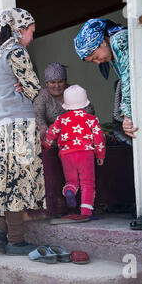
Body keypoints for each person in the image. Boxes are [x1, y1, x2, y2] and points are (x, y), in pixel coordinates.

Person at [0, 7, 46, 256]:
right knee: (19, 182)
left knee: (7, 180)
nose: (32, 37)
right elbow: (33, 88)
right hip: (19, 126)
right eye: (30, 32)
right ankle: (16, 241)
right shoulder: (16, 51)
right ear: (20, 31)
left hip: (1, 126)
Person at [33, 62, 95, 217]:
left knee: (76, 179)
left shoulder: (74, 92)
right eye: (52, 82)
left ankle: (78, 202)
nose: (57, 85)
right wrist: (48, 136)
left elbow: (89, 112)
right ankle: (75, 208)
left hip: (74, 141)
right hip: (53, 140)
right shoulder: (43, 96)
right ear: (47, 83)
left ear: (65, 81)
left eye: (60, 81)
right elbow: (38, 118)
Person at [43, 85, 106, 219]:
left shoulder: (61, 119)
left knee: (72, 180)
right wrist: (100, 155)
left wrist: (46, 146)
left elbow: (51, 133)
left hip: (66, 155)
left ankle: (70, 190)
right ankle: (86, 213)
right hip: (86, 153)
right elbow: (99, 137)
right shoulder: (91, 119)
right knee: (87, 183)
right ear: (85, 102)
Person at [74, 18, 139, 138]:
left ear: (103, 42)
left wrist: (127, 116)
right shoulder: (112, 48)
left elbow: (128, 77)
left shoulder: (118, 41)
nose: (98, 63)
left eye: (95, 57)